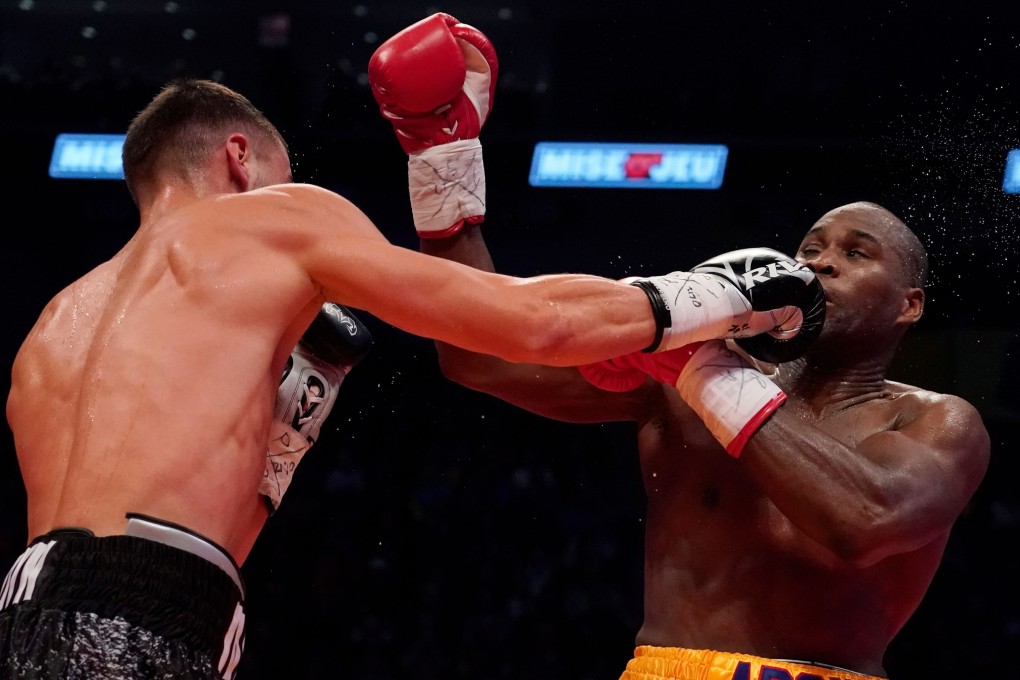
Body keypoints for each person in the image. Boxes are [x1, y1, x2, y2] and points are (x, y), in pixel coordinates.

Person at [0, 73, 816, 679]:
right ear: (240, 158)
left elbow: (197, 533)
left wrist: (294, 420)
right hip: (149, 614)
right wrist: (715, 294)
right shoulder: (271, 219)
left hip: (34, 614)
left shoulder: (56, 321)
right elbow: (532, 325)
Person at [369, 13, 992, 680]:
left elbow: (863, 518)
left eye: (855, 253)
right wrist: (442, 161)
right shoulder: (677, 382)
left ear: (910, 304)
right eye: (809, 249)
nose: (821, 263)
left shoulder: (934, 422)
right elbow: (480, 356)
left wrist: (703, 369)